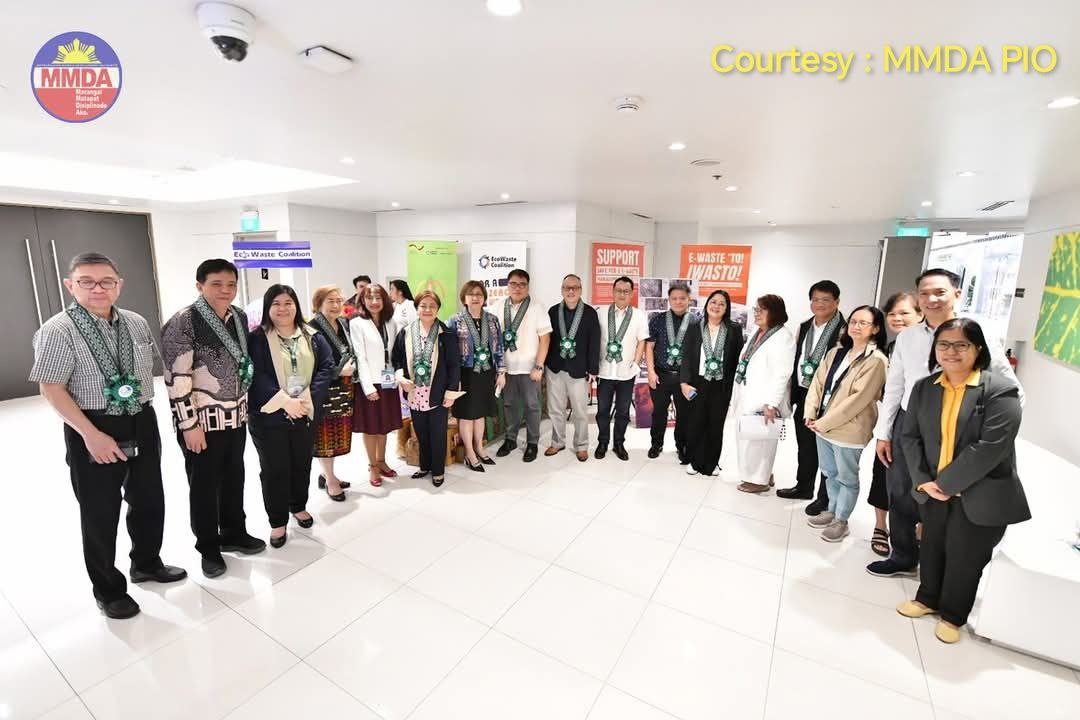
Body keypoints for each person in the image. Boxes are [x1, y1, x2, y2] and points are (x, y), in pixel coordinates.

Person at [30, 252, 185, 619]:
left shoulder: (136, 322)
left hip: (141, 419)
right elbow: (51, 388)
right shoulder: (57, 330)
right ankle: (108, 590)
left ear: (119, 284)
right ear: (70, 285)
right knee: (100, 512)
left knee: (149, 498)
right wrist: (90, 435)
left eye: (106, 281)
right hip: (93, 425)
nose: (98, 289)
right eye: (87, 281)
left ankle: (146, 562)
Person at [867, 269, 1023, 578]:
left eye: (939, 292)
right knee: (901, 492)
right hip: (909, 425)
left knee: (947, 496)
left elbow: (1011, 389)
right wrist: (884, 433)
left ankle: (939, 566)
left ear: (957, 294)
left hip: (958, 427)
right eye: (924, 293)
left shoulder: (976, 333)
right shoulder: (908, 337)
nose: (931, 299)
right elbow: (895, 386)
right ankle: (903, 556)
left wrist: (990, 429)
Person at [895, 318, 1030, 644]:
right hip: (932, 489)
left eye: (961, 345)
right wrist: (923, 480)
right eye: (944, 344)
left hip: (978, 493)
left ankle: (953, 615)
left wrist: (945, 485)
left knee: (965, 557)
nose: (951, 351)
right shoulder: (925, 387)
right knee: (932, 546)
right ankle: (927, 598)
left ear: (978, 349)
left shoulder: (1000, 390)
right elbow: (910, 437)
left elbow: (990, 448)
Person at [161, 258, 266, 580]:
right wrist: (188, 425)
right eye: (216, 284)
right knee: (204, 486)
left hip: (235, 416)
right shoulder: (184, 321)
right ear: (200, 286)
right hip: (201, 423)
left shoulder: (239, 317)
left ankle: (234, 532)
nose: (225, 290)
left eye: (231, 284)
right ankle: (208, 547)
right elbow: (176, 378)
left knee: (234, 477)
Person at [248, 285, 335, 548]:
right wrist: (285, 402)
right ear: (267, 308)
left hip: (305, 412)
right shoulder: (257, 339)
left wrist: (305, 400)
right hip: (269, 416)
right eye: (276, 303)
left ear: (296, 305)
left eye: (288, 303)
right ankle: (277, 521)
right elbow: (255, 374)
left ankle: (298, 505)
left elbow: (327, 367)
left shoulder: (313, 336)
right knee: (274, 469)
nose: (283, 308)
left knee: (301, 463)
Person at [803, 306, 889, 541]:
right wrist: (811, 412)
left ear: (876, 329)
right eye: (853, 321)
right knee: (829, 473)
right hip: (822, 426)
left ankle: (842, 520)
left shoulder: (877, 360)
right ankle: (831, 511)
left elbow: (858, 400)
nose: (856, 326)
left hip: (849, 429)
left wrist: (824, 422)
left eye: (863, 323)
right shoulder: (837, 352)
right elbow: (817, 383)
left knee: (847, 478)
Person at [777, 280, 845, 514]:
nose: (820, 304)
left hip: (829, 397)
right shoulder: (805, 326)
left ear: (837, 302)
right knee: (805, 445)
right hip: (804, 392)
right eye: (815, 299)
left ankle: (824, 498)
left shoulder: (844, 329)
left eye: (826, 300)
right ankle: (804, 486)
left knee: (826, 451)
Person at [867, 292, 923, 557]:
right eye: (892, 314)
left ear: (920, 314)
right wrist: (884, 431)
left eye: (904, 313)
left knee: (919, 481)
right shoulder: (893, 346)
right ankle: (881, 526)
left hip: (924, 424)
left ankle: (918, 533)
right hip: (893, 421)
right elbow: (892, 389)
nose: (897, 318)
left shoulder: (937, 343)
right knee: (884, 474)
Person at [392, 290, 462, 487]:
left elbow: (454, 366)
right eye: (423, 305)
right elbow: (396, 360)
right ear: (417, 308)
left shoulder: (446, 334)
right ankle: (424, 466)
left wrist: (451, 393)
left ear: (438, 309)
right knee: (421, 433)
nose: (427, 309)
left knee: (437, 434)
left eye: (432, 306)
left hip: (437, 393)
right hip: (414, 393)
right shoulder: (406, 332)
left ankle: (438, 470)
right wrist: (400, 378)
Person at [732, 294, 797, 493]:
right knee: (748, 438)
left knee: (761, 442)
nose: (757, 313)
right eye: (756, 309)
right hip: (749, 393)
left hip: (765, 399)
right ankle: (762, 474)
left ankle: (758, 481)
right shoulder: (758, 331)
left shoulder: (783, 337)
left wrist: (772, 403)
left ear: (774, 312)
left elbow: (782, 374)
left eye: (762, 310)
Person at [679, 289, 744, 476]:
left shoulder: (733, 329)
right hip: (698, 382)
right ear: (707, 304)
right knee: (696, 422)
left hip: (721, 384)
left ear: (726, 308)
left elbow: (737, 359)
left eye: (722, 304)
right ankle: (694, 461)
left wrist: (735, 386)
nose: (716, 306)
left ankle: (712, 463)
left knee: (716, 425)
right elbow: (686, 356)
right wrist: (684, 382)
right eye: (713, 302)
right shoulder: (695, 327)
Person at [493, 269, 552, 462]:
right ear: (507, 285)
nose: (517, 288)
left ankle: (532, 442)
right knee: (509, 405)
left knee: (532, 406)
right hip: (506, 369)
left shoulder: (537, 307)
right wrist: (499, 368)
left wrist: (539, 366)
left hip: (529, 369)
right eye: (513, 284)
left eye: (522, 284)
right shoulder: (497, 307)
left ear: (528, 287)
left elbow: (545, 339)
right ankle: (510, 439)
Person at [447, 281, 506, 470]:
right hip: (465, 374)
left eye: (479, 294)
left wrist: (501, 371)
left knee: (480, 413)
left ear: (484, 298)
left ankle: (479, 448)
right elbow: (450, 352)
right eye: (471, 294)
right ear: (464, 298)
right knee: (466, 415)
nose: (475, 297)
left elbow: (499, 347)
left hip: (487, 372)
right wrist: (453, 379)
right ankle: (469, 453)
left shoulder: (492, 320)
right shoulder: (455, 320)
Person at [349, 284, 403, 488]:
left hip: (388, 380)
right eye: (369, 298)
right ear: (363, 301)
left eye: (378, 298)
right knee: (371, 427)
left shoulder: (391, 322)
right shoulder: (357, 323)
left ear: (384, 300)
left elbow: (394, 353)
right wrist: (368, 387)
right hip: (370, 382)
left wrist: (397, 376)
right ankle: (372, 465)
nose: (374, 302)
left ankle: (382, 460)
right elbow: (360, 357)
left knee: (385, 425)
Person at [544, 274, 601, 462]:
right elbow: (546, 340)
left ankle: (581, 445)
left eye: (574, 287)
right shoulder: (553, 312)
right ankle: (557, 442)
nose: (570, 291)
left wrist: (593, 369)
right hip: (555, 368)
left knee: (580, 411)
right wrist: (543, 364)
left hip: (579, 370)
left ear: (580, 290)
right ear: (562, 290)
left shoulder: (590, 313)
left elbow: (594, 342)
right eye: (567, 287)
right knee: (555, 409)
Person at [308, 285, 357, 501]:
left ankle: (327, 474)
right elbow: (310, 365)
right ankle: (330, 480)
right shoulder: (310, 329)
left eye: (339, 300)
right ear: (318, 304)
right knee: (325, 438)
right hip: (324, 391)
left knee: (337, 436)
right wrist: (338, 372)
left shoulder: (343, 324)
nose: (336, 305)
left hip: (344, 390)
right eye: (330, 301)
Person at [595, 276, 650, 461]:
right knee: (603, 410)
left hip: (626, 372)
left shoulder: (639, 315)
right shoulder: (601, 313)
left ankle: (619, 443)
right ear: (613, 292)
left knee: (623, 411)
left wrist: (636, 364)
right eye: (618, 290)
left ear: (632, 293)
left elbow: (642, 341)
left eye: (626, 291)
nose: (622, 294)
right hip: (605, 371)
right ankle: (603, 442)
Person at [647, 282, 699, 463]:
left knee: (684, 414)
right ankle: (656, 444)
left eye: (682, 298)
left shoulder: (696, 321)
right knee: (658, 413)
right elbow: (649, 346)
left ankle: (681, 446)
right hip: (661, 375)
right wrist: (651, 372)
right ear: (669, 300)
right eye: (674, 298)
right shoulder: (658, 320)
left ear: (689, 299)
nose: (678, 301)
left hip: (684, 378)